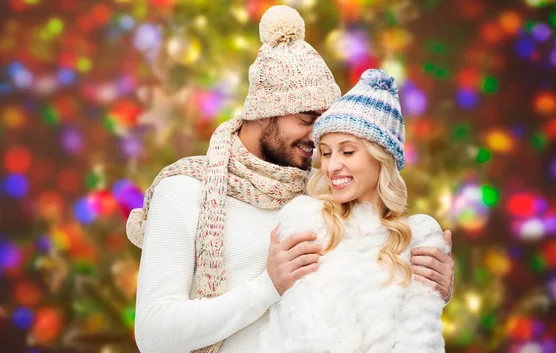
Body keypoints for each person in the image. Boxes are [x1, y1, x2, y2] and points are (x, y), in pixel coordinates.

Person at [126, 5, 454, 353]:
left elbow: (370, 293)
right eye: (306, 118)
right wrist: (268, 287)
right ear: (262, 113)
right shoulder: (186, 190)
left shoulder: (324, 195)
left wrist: (430, 289)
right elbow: (154, 335)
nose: (317, 138)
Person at [261, 69, 447, 353]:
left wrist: (439, 290)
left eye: (347, 152)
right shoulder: (307, 224)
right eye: (325, 152)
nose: (332, 166)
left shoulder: (416, 240)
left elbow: (421, 339)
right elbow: (292, 334)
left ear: (381, 158)